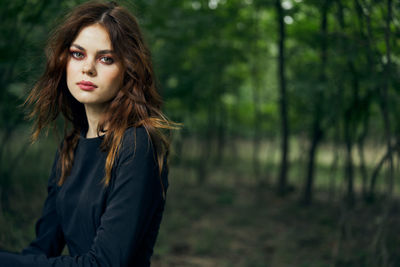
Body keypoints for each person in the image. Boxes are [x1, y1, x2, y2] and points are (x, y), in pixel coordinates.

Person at [0, 1, 176, 266]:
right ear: (64, 60)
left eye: (106, 58)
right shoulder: (70, 148)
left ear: (128, 69)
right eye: (77, 54)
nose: (88, 68)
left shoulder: (137, 144)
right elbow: (42, 250)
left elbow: (104, 263)